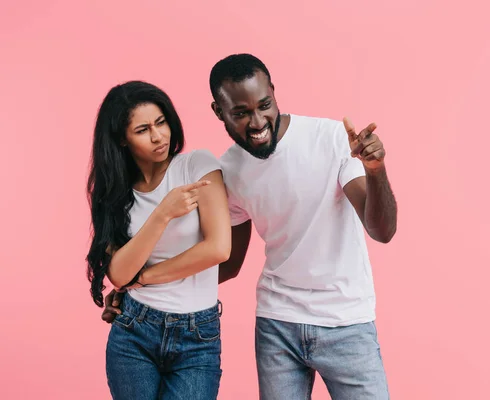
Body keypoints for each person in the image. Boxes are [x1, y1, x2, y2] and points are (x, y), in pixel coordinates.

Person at [103, 54, 397, 399]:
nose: (257, 122)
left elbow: (381, 230)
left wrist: (375, 170)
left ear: (274, 92)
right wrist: (139, 292)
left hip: (347, 321)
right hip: (277, 324)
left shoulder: (330, 138)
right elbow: (226, 263)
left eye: (264, 105)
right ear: (219, 112)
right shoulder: (230, 170)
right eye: (240, 113)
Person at [87, 80, 232, 399]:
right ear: (122, 139)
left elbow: (218, 248)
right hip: (134, 331)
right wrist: (163, 213)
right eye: (142, 130)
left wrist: (147, 277)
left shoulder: (197, 165)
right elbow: (120, 275)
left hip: (198, 335)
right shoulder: (114, 193)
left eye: (161, 122)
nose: (158, 136)